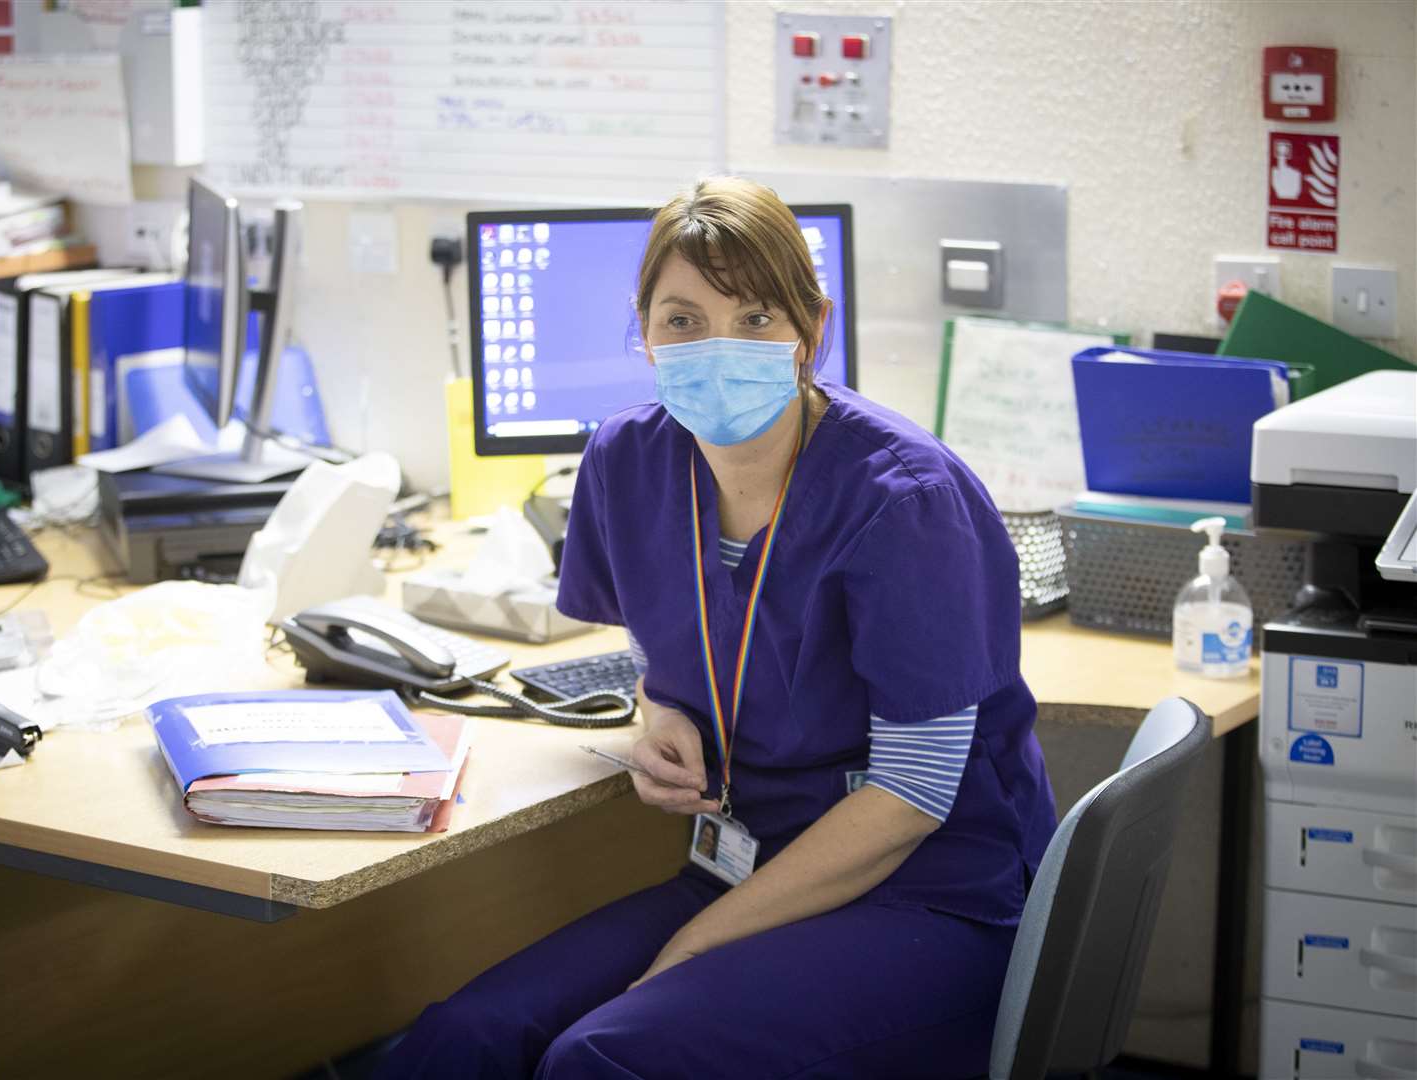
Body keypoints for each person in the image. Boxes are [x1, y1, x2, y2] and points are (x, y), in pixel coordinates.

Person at [377, 177, 1057, 1079]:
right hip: (743, 863)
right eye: (684, 320)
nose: (718, 346)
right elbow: (660, 642)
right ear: (647, 331)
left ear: (813, 327)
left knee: (604, 1060)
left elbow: (913, 798)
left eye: (758, 316)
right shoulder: (628, 458)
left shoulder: (903, 500)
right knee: (467, 1039)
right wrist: (659, 714)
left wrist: (696, 948)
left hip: (929, 894)